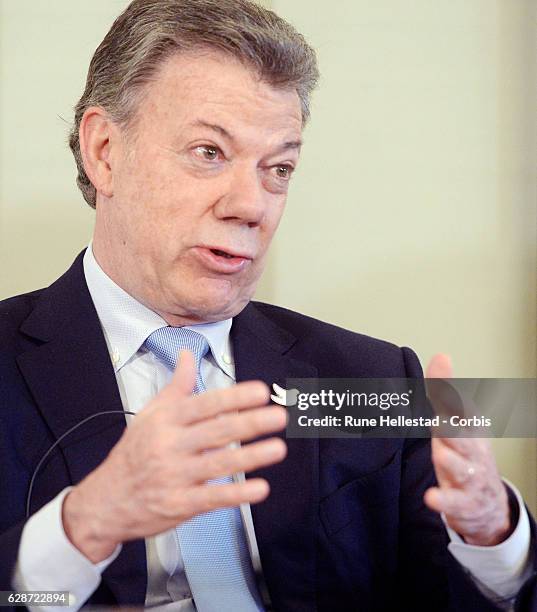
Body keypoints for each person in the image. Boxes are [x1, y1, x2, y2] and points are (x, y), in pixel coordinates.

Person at [0, 1, 535, 610]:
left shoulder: (370, 379)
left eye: (278, 167)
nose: (251, 205)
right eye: (209, 152)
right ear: (104, 152)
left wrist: (492, 535)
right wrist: (81, 529)